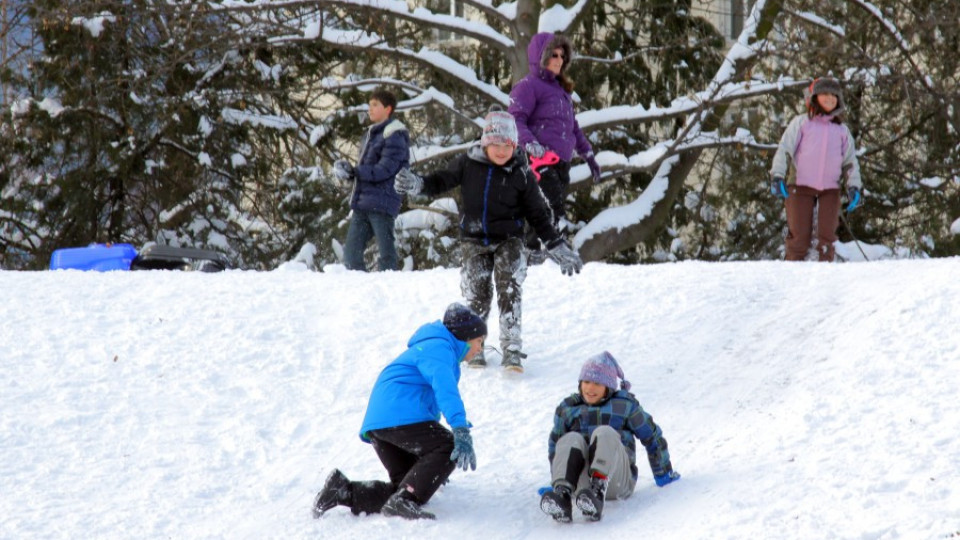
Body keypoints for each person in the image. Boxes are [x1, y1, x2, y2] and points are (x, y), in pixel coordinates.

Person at [392, 109, 583, 372]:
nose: (501, 150)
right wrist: (418, 184)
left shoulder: (521, 172)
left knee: (509, 286)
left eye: (507, 145)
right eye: (495, 144)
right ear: (485, 143)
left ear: (514, 145)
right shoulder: (468, 163)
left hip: (509, 239)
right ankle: (475, 346)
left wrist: (555, 243)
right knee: (477, 292)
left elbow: (538, 214)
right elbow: (440, 180)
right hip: (473, 237)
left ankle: (512, 347)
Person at [313, 303, 485, 520]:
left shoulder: (432, 348)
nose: (480, 349)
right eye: (479, 341)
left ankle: (343, 491)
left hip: (383, 423)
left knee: (408, 486)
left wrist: (433, 468)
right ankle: (403, 501)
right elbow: (446, 391)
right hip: (398, 417)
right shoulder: (439, 348)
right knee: (449, 446)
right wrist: (460, 429)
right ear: (465, 337)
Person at [539, 351, 680, 523]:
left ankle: (598, 492)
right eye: (586, 382)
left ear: (608, 387)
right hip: (581, 486)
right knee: (570, 438)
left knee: (604, 432)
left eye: (597, 383)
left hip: (616, 482)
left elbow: (652, 437)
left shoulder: (625, 406)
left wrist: (662, 473)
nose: (590, 388)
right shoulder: (569, 408)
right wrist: (557, 478)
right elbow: (556, 446)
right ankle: (562, 495)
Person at [508, 32, 601, 255]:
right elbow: (515, 119)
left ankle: (531, 254)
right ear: (541, 57)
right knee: (551, 209)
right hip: (538, 159)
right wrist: (530, 144)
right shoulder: (528, 86)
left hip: (561, 163)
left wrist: (588, 155)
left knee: (540, 212)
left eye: (562, 55)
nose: (559, 60)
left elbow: (573, 128)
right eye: (553, 55)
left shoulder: (561, 92)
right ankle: (554, 237)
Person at [769, 76, 863, 262]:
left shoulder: (842, 130)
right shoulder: (802, 123)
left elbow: (850, 162)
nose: (829, 98)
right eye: (824, 94)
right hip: (800, 186)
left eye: (834, 95)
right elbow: (785, 149)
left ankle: (824, 281)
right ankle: (792, 277)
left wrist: (854, 187)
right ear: (814, 97)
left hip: (830, 189)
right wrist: (777, 175)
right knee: (799, 239)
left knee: (827, 239)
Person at [334, 88, 410, 271]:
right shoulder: (371, 134)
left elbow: (385, 169)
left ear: (388, 109)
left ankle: (390, 285)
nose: (370, 109)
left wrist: (356, 172)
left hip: (383, 202)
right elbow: (368, 167)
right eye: (369, 105)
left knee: (386, 253)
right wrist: (349, 171)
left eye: (375, 105)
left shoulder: (395, 135)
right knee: (351, 255)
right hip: (363, 202)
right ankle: (359, 287)